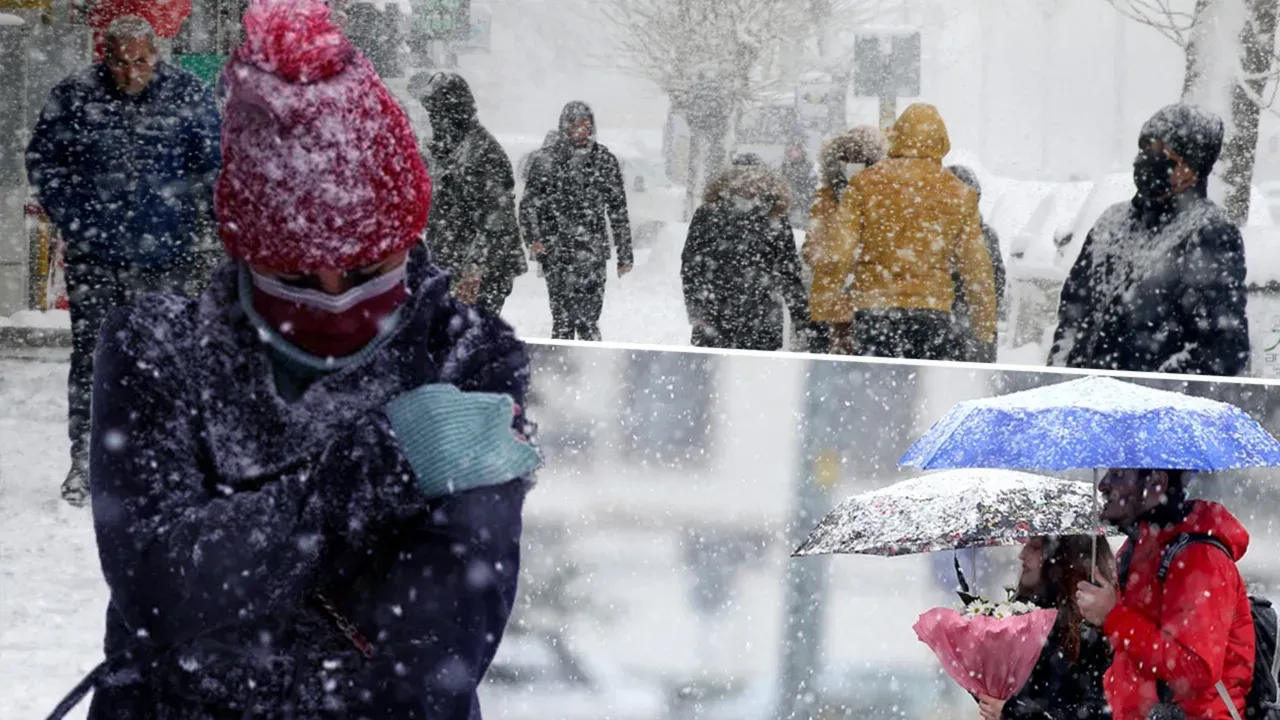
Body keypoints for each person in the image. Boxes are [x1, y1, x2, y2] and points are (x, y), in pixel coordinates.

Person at [81, 3, 539, 717]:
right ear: (245, 252)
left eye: (365, 270)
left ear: (407, 234)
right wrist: (381, 464)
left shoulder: (469, 357)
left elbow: (436, 649)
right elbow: (155, 586)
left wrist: (240, 573)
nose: (333, 299)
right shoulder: (155, 346)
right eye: (294, 276)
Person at [25, 14, 222, 506]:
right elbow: (44, 163)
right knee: (93, 361)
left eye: (140, 60)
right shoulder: (74, 96)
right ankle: (87, 464)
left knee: (162, 363)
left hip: (167, 258)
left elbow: (214, 168)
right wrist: (75, 215)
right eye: (119, 60)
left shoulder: (187, 94)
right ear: (104, 57)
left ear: (155, 55)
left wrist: (200, 230)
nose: (130, 71)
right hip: (96, 256)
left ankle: (160, 463)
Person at [1049, 104, 1250, 376]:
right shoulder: (1112, 221)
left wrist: (1150, 392)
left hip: (1149, 412)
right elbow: (1073, 314)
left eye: (1160, 153)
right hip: (1083, 403)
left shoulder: (1209, 233)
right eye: (1144, 148)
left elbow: (1222, 349)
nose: (1144, 160)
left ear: (1192, 166)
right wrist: (1060, 375)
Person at [1075, 469, 1254, 720]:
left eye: (1117, 475)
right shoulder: (1139, 549)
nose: (1103, 485)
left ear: (1156, 482)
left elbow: (1195, 669)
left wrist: (1113, 617)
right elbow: (1139, 653)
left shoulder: (1200, 558)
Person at [832, 103, 997, 362]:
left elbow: (838, 252)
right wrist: (983, 326)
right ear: (942, 141)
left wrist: (826, 306)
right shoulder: (959, 193)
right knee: (922, 391)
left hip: (875, 309)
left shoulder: (864, 184)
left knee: (874, 388)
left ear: (896, 136)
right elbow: (976, 267)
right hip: (932, 312)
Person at [520, 101, 633, 341]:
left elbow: (618, 209)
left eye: (585, 125)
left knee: (589, 321)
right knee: (562, 321)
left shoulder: (604, 160)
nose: (580, 131)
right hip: (557, 252)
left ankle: (589, 365)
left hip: (592, 253)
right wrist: (534, 240)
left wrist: (625, 253)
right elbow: (529, 205)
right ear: (564, 127)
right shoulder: (545, 160)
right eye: (574, 125)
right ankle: (563, 369)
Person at [419, 72, 527, 315]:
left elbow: (496, 219)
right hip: (450, 263)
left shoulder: (481, 152)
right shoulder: (446, 150)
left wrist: (474, 271)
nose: (433, 120)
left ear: (452, 113)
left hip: (483, 272)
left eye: (436, 113)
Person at [976, 535, 1115, 720]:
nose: (1022, 554)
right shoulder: (1023, 615)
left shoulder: (1094, 628)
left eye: (1034, 547)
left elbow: (1097, 712)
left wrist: (1014, 714)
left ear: (1064, 556)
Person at [680, 161, 809, 350]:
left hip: (718, 314)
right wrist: (801, 317)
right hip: (759, 317)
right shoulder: (774, 217)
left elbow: (690, 267)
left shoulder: (709, 213)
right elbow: (789, 273)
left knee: (714, 374)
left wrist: (697, 311)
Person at [803, 125, 889, 355]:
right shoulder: (881, 200)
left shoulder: (826, 199)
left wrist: (834, 259)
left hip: (833, 302)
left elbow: (811, 249)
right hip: (866, 305)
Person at [947, 165, 1008, 362]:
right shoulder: (985, 236)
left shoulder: (930, 237)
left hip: (965, 332)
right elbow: (996, 285)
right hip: (973, 332)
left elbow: (995, 285)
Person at [780, 140, 818, 227]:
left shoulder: (809, 165)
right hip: (791, 203)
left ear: (801, 151)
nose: (792, 153)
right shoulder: (784, 166)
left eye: (795, 150)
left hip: (805, 201)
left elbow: (813, 182)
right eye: (789, 150)